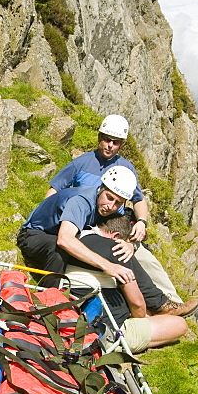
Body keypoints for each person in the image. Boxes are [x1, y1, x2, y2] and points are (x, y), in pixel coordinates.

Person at [17, 166, 198, 317]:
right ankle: (50, 304)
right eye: (109, 198)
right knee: (59, 249)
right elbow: (65, 239)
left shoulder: (112, 207)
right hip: (35, 235)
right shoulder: (81, 201)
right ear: (101, 189)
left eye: (118, 203)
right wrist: (108, 266)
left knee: (116, 248)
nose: (110, 206)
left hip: (67, 233)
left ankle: (159, 303)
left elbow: (124, 227)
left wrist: (129, 243)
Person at [45, 114, 183, 304]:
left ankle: (174, 302)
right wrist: (50, 220)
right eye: (106, 139)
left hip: (116, 227)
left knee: (145, 258)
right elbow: (55, 190)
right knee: (123, 258)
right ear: (99, 138)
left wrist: (141, 223)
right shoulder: (81, 163)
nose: (110, 145)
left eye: (116, 142)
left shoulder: (125, 168)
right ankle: (148, 305)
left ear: (122, 144)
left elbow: (138, 199)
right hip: (87, 227)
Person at [64, 214, 190, 353]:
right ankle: (114, 345)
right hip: (106, 329)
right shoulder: (117, 249)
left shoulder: (75, 240)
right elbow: (137, 303)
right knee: (179, 325)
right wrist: (142, 317)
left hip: (70, 317)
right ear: (117, 236)